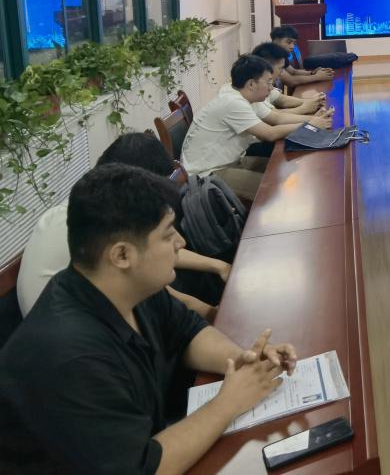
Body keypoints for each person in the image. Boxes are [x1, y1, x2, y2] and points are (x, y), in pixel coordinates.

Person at [0, 164, 297, 474]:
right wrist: (229, 402)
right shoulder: (69, 355)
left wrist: (244, 361)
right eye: (168, 234)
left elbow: (187, 331)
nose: (181, 243)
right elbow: (142, 467)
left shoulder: (128, 286)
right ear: (122, 255)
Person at [17, 133, 231, 319]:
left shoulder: (92, 201)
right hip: (75, 329)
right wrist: (212, 313)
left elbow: (159, 245)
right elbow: (159, 294)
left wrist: (219, 266)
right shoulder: (97, 221)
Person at [181, 55, 329, 201]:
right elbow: (270, 133)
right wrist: (309, 125)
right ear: (251, 84)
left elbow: (277, 118)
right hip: (206, 175)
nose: (271, 88)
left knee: (285, 169)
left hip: (230, 162)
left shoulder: (245, 95)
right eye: (268, 82)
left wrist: (313, 120)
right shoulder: (232, 102)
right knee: (277, 190)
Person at [252, 42, 326, 115]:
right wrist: (305, 108)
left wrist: (312, 102)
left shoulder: (265, 85)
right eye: (280, 68)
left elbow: (281, 99)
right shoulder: (254, 92)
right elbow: (274, 117)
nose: (282, 73)